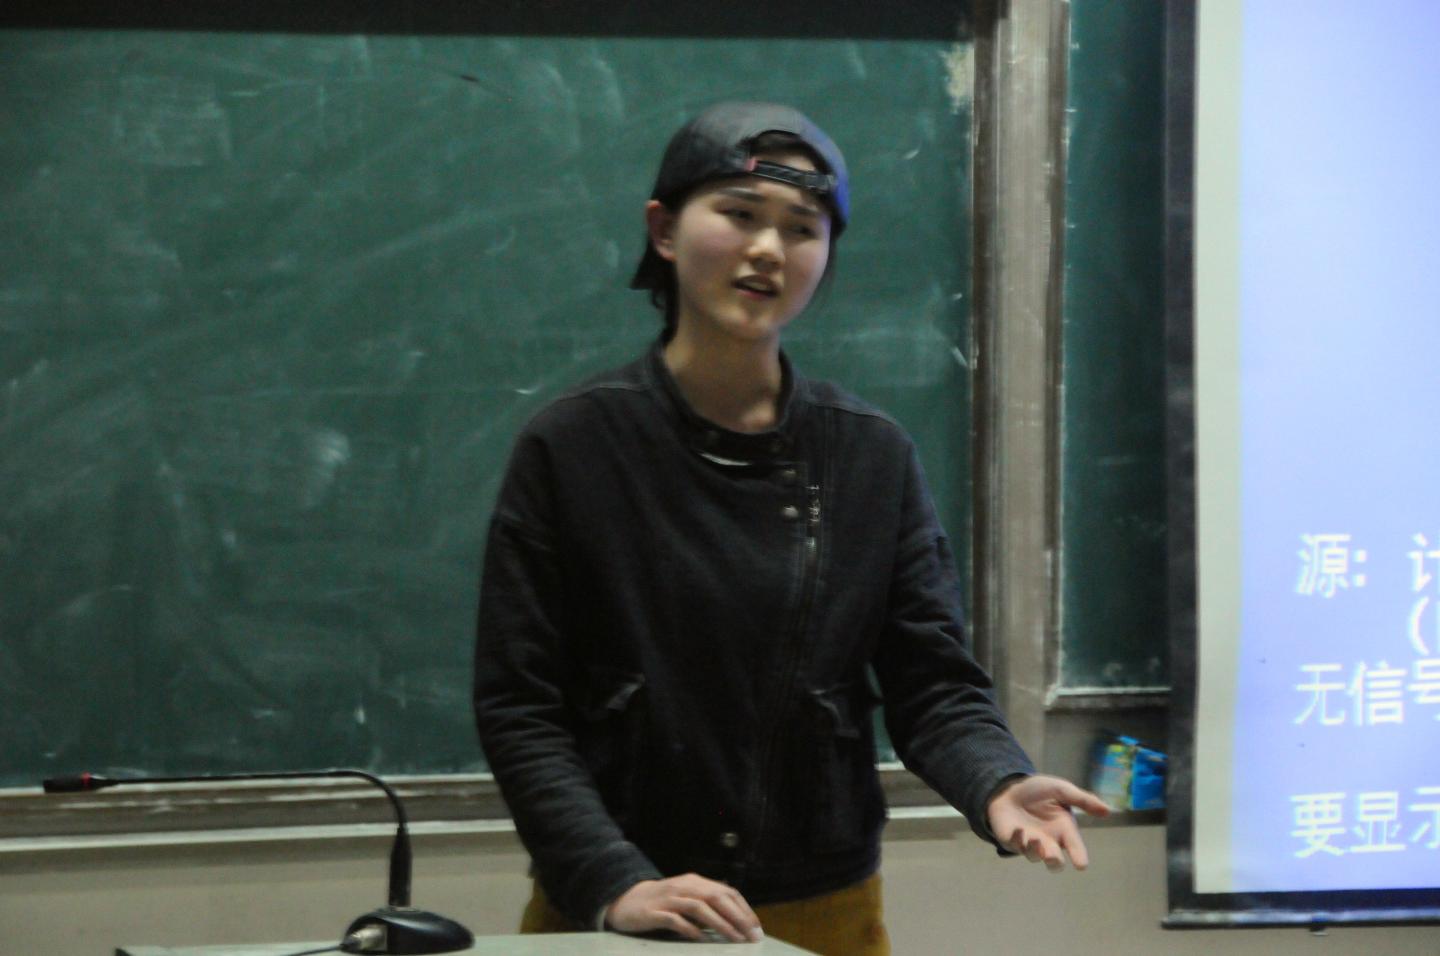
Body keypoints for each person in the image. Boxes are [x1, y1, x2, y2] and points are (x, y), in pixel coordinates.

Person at [473, 101, 1108, 954]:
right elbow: (521, 707)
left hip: (820, 904)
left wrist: (997, 781)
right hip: (622, 905)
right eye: (739, 215)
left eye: (802, 228)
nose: (769, 249)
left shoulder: (869, 455)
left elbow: (932, 683)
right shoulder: (574, 446)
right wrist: (613, 881)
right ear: (664, 230)